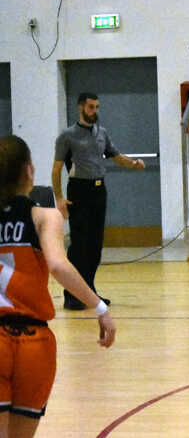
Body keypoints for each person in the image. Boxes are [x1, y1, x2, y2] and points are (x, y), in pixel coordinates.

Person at [0, 135, 116, 438]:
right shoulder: (44, 216)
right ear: (29, 171)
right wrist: (99, 307)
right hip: (33, 342)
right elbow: (59, 266)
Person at [52, 92, 145, 310]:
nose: (95, 111)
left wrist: (133, 164)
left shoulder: (101, 132)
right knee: (79, 246)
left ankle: (90, 292)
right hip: (79, 191)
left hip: (98, 191)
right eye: (91, 107)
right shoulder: (67, 136)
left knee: (95, 246)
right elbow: (56, 169)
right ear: (81, 107)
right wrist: (59, 198)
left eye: (97, 107)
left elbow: (116, 155)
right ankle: (71, 295)